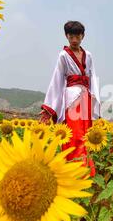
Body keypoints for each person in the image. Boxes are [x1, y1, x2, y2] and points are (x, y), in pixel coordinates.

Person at [40, 21, 100, 176]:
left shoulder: (89, 55)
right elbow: (57, 79)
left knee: (86, 134)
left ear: (83, 36)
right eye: (71, 36)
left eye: (77, 36)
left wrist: (95, 99)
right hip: (72, 99)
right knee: (75, 134)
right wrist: (48, 108)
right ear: (66, 36)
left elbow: (92, 76)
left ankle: (85, 170)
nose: (74, 39)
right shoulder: (63, 55)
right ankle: (73, 171)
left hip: (86, 97)